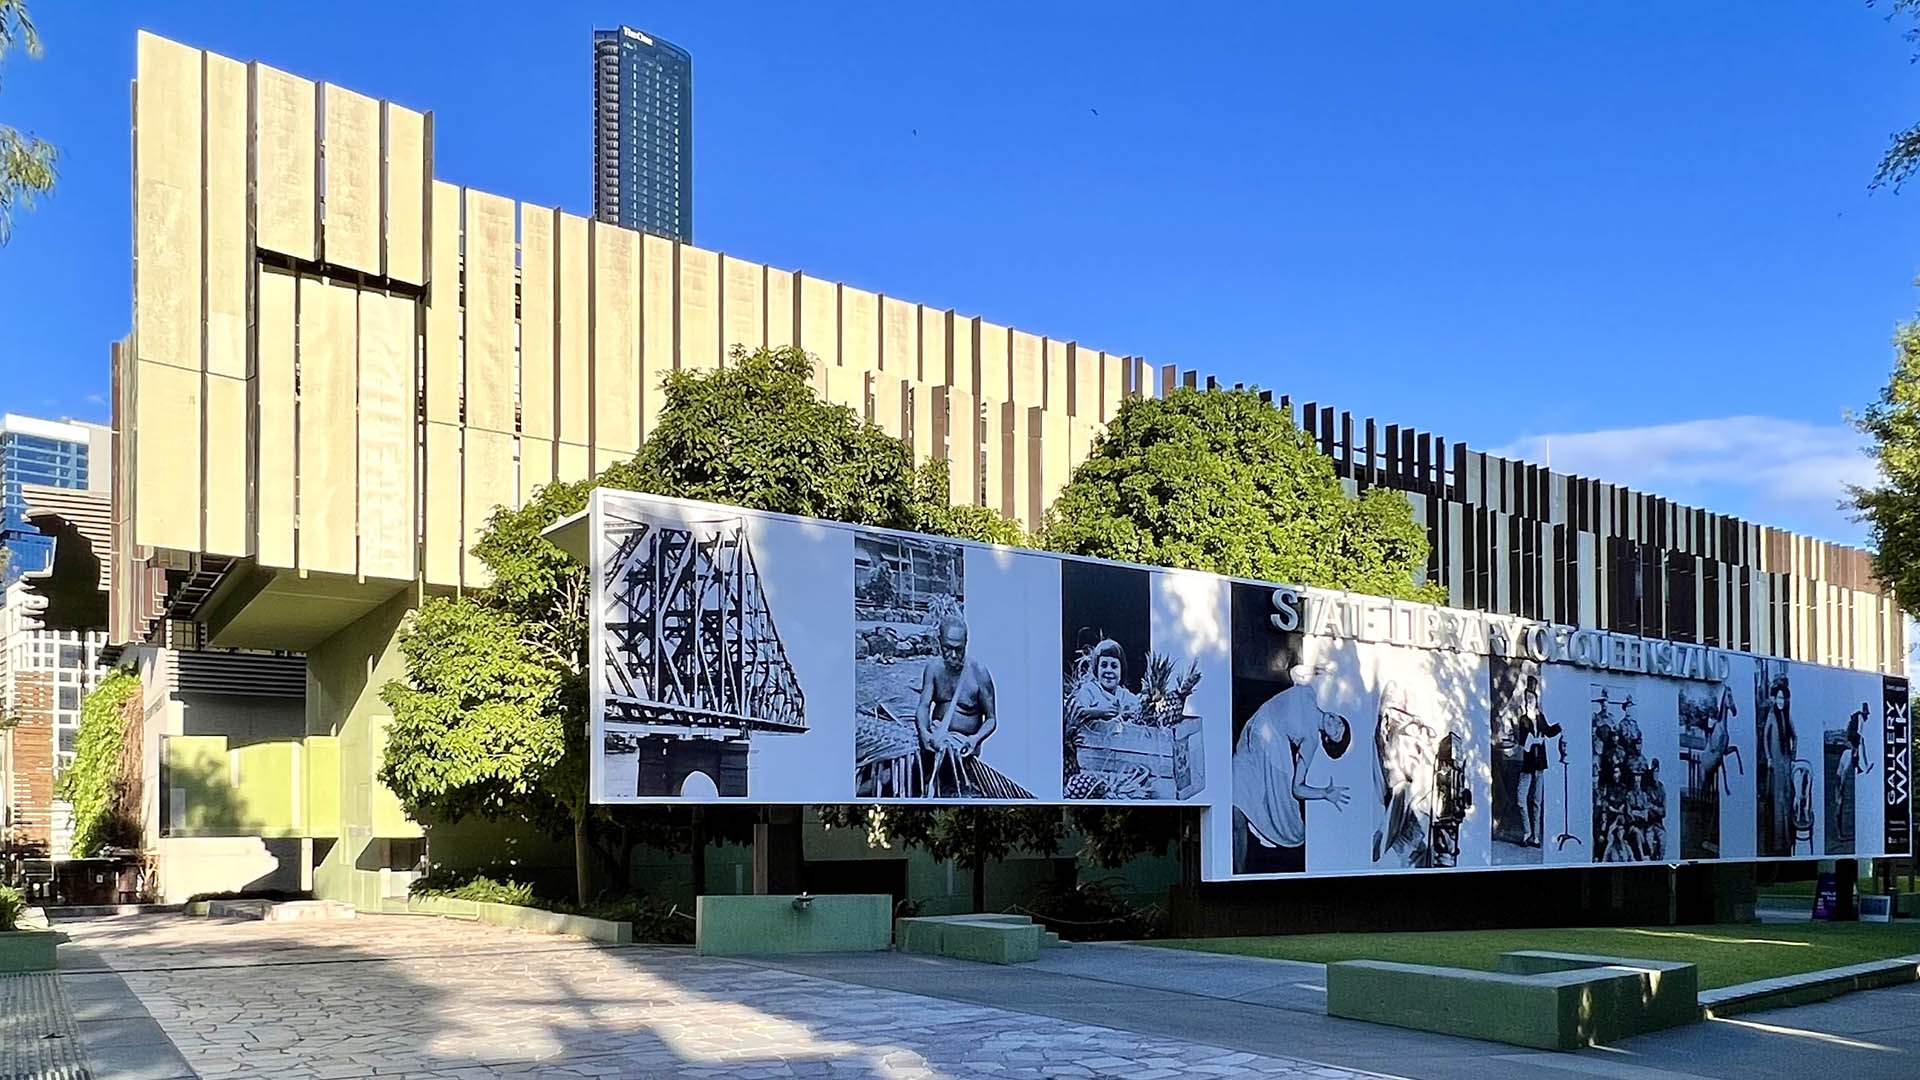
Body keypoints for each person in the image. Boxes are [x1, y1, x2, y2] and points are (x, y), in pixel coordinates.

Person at [1233, 682, 1353, 873]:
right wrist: (1320, 672)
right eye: (1341, 722)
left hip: (1270, 755)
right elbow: (1297, 673)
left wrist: (1324, 793)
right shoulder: (1310, 692)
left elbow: (1297, 787)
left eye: (1338, 732)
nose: (1337, 724)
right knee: (1236, 803)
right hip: (1253, 734)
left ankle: (1236, 877)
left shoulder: (1311, 741)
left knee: (1237, 812)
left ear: (1328, 740)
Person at [915, 613, 998, 792]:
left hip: (962, 752)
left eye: (959, 649)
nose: (953, 655)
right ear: (939, 643)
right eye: (948, 648)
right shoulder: (933, 669)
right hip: (936, 744)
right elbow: (923, 706)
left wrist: (975, 739)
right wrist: (923, 731)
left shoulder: (979, 674)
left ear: (966, 644)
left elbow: (991, 719)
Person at [1373, 681, 1440, 863]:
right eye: (1413, 730)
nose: (1420, 749)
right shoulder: (1374, 817)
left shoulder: (1420, 803)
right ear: (1385, 729)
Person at [1516, 676, 1562, 848]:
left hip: (1540, 766)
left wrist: (1559, 727)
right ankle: (1526, 832)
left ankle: (1535, 837)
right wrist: (1535, 740)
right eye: (1527, 698)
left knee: (1537, 802)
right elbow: (1523, 741)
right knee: (1521, 800)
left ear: (1536, 700)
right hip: (1527, 765)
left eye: (1532, 698)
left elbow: (1548, 732)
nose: (1530, 701)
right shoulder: (1523, 719)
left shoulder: (1540, 717)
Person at [1068, 639, 1142, 722]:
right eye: (1104, 665)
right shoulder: (1090, 690)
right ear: (1096, 669)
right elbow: (1076, 711)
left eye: (1114, 666)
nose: (1109, 670)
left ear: (1121, 670)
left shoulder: (1125, 695)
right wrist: (1099, 713)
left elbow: (1137, 710)